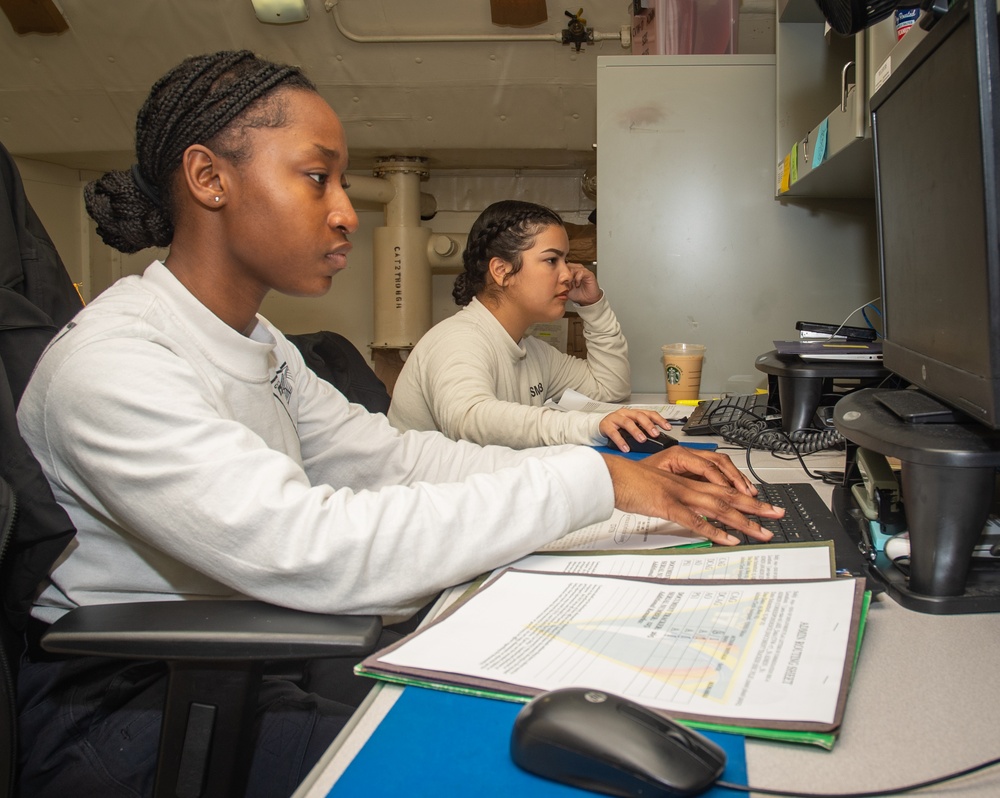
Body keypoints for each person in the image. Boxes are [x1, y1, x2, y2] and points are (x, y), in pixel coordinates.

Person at [14, 50, 781, 797]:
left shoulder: (259, 342)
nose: (347, 210)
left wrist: (620, 493)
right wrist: (592, 479)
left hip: (263, 658)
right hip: (133, 714)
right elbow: (309, 545)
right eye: (318, 178)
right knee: (504, 768)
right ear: (209, 178)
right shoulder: (116, 364)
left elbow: (397, 461)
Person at [388, 200, 671, 452]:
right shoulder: (457, 340)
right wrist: (588, 426)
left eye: (565, 260)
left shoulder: (532, 351)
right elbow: (468, 418)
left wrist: (593, 306)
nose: (568, 274)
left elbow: (610, 390)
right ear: (502, 271)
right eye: (551, 260)